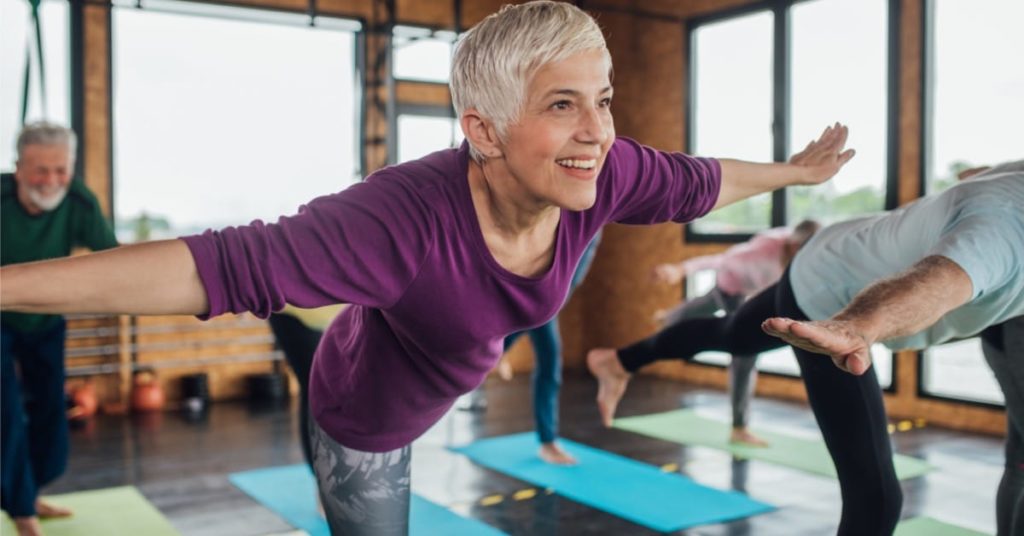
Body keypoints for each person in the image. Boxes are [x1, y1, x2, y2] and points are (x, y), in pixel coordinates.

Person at [0, 3, 853, 534]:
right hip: (365, 413)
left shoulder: (605, 170)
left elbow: (701, 178)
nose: (597, 128)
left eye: (603, 97)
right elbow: (213, 266)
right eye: (563, 105)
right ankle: (324, 318)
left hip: (446, 361)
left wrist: (794, 174)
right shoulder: (402, 216)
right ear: (482, 132)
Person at [588, 162, 1024, 535]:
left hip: (831, 250)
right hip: (829, 299)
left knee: (733, 335)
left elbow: (974, 174)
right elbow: (934, 283)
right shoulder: (1002, 231)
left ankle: (620, 360)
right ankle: (622, 360)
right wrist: (855, 327)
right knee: (875, 497)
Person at [1, 123, 119, 536]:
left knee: (51, 412)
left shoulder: (80, 202)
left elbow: (113, 261)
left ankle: (28, 491)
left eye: (61, 170)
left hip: (46, 317)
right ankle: (22, 512)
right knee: (5, 412)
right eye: (40, 170)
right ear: (18, 169)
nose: (51, 180)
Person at [648, 220, 819, 446]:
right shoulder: (764, 252)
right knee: (745, 352)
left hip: (747, 290)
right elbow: (720, 260)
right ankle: (739, 428)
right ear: (795, 246)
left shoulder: (803, 254)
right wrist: (681, 269)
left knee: (705, 305)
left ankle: (668, 319)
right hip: (733, 287)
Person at [500, 233, 601, 465]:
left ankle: (548, 442)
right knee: (550, 361)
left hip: (548, 300)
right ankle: (548, 443)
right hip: (540, 291)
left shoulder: (595, 223)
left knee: (550, 363)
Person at [267, 304, 345, 469]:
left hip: (334, 311)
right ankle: (320, 473)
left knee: (320, 390)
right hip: (296, 311)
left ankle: (325, 472)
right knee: (315, 389)